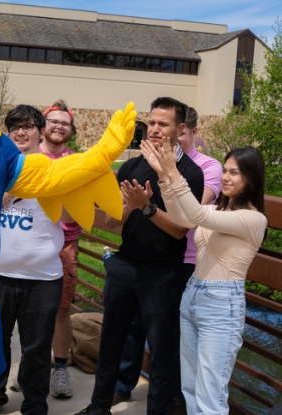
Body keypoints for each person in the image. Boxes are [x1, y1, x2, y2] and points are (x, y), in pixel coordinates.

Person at [76, 97, 204, 415]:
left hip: (163, 273)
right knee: (111, 342)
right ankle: (98, 407)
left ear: (181, 129)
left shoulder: (190, 173)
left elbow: (179, 230)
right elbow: (109, 222)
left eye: (164, 124)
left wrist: (146, 207)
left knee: (161, 353)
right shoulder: (133, 166)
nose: (155, 129)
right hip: (125, 264)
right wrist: (131, 205)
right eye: (152, 122)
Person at [141, 141, 267, 415]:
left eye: (235, 172)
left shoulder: (253, 219)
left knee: (210, 395)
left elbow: (195, 213)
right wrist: (163, 176)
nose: (225, 177)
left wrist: (174, 172)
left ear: (251, 178)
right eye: (225, 170)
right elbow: (183, 217)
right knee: (190, 388)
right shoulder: (217, 211)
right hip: (193, 297)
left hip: (222, 306)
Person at [112, 107, 222, 407]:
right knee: (133, 330)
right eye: (153, 124)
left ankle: (173, 397)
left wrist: (167, 174)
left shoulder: (204, 168)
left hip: (185, 260)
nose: (160, 132)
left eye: (172, 128)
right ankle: (123, 384)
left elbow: (192, 214)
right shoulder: (142, 164)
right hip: (139, 258)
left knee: (168, 338)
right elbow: (115, 215)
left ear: (188, 131)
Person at [0, 104, 69, 414]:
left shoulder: (56, 170)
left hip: (43, 278)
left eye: (27, 126)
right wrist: (12, 191)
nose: (20, 132)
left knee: (37, 348)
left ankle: (35, 403)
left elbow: (70, 214)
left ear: (41, 131)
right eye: (14, 127)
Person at [43, 99, 83, 400]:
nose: (58, 126)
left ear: (71, 131)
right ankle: (33, 366)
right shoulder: (27, 157)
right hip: (28, 242)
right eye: (53, 121)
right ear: (43, 125)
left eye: (64, 123)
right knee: (23, 310)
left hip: (65, 244)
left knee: (61, 309)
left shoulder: (76, 162)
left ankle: (59, 369)